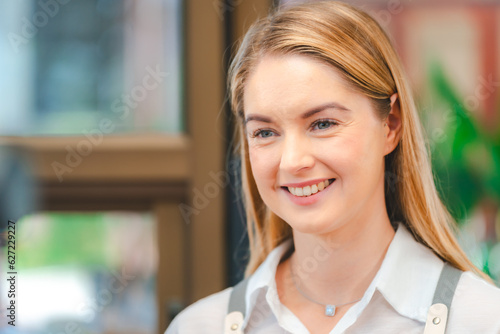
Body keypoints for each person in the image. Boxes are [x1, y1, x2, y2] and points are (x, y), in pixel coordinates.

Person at [166, 1, 500, 333]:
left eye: (323, 123)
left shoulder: (481, 320)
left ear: (391, 125)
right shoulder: (198, 327)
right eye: (265, 132)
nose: (293, 161)